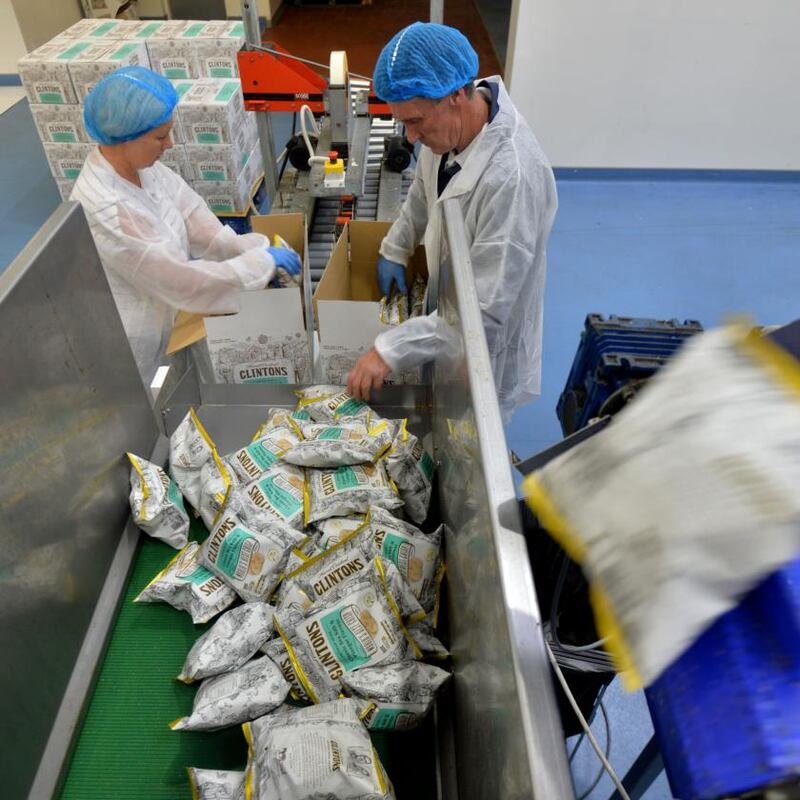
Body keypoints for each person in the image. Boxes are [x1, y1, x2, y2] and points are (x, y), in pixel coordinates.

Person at [346, 22, 557, 421]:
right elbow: (424, 193)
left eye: (416, 121)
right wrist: (396, 245)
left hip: (485, 343)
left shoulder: (512, 177)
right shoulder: (447, 131)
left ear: (457, 95)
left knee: (471, 430)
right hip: (448, 307)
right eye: (403, 122)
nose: (410, 137)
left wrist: (389, 350)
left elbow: (484, 312)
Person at [71, 65, 300, 390]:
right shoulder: (108, 207)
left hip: (169, 315)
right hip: (138, 336)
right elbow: (180, 281)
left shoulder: (144, 168)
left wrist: (253, 249)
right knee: (152, 410)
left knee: (181, 390)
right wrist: (257, 265)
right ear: (125, 139)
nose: (170, 144)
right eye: (160, 137)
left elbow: (197, 223)